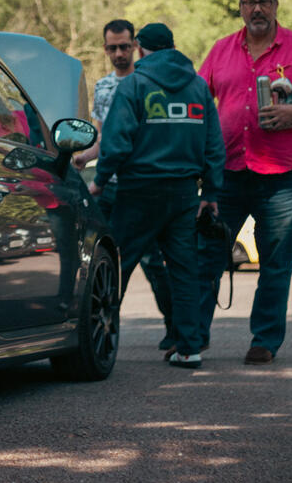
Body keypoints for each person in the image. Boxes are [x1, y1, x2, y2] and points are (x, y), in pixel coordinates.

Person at [197, 0, 292, 365]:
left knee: (275, 261)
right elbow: (199, 100)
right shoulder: (221, 49)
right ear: (240, 7)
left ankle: (264, 341)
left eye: (264, 2)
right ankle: (193, 337)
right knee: (207, 255)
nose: (257, 9)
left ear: (276, 5)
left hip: (283, 175)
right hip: (228, 171)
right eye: (250, 2)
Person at [91, 23, 225, 369]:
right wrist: (210, 191)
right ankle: (189, 347)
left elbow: (116, 141)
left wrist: (100, 181)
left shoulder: (135, 84)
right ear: (173, 46)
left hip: (138, 191)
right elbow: (213, 144)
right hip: (184, 194)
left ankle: (95, 343)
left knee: (115, 268)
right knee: (183, 270)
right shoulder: (198, 87)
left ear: (140, 48)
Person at [73, 20, 174, 350]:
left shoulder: (149, 83)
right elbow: (104, 136)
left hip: (142, 186)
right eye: (112, 47)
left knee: (153, 262)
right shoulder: (103, 87)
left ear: (136, 46)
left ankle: (176, 329)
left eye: (124, 46)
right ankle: (104, 330)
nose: (118, 53)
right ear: (105, 49)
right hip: (108, 187)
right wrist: (83, 157)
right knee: (107, 259)